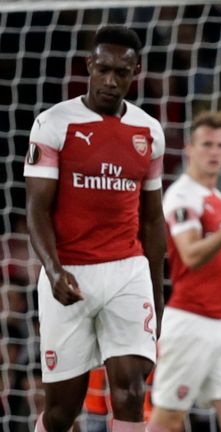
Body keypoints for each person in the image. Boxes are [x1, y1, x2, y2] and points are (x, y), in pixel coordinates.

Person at [24, 25, 165, 432]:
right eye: (103, 69)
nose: (110, 80)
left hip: (127, 271)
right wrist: (52, 269)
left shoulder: (148, 132)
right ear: (89, 65)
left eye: (121, 72)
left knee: (131, 391)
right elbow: (36, 208)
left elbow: (153, 219)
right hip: (68, 275)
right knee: (63, 411)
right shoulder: (53, 124)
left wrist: (155, 292)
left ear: (135, 72)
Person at [147, 111, 221, 432]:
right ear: (189, 149)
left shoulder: (219, 197)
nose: (215, 152)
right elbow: (190, 255)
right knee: (167, 421)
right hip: (188, 322)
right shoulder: (181, 195)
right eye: (207, 144)